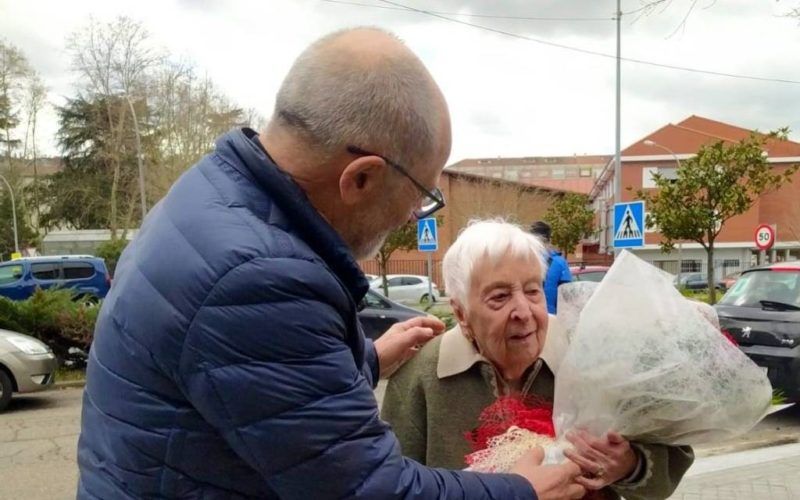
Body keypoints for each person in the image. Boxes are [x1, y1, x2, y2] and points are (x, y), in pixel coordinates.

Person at [77, 28, 585, 499]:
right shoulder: (259, 277)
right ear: (361, 178)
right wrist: (521, 490)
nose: (414, 214)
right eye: (420, 195)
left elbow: (256, 391)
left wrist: (364, 361)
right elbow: (369, 488)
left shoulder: (210, 194)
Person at [382, 220, 694, 500]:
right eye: (499, 297)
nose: (524, 312)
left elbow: (669, 463)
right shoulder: (421, 376)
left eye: (533, 291)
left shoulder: (592, 354)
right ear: (461, 313)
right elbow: (390, 487)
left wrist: (629, 465)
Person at [529, 220, 572, 314]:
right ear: (549, 239)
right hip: (551, 319)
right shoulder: (560, 263)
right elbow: (567, 297)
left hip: (527, 318)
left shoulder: (521, 261)